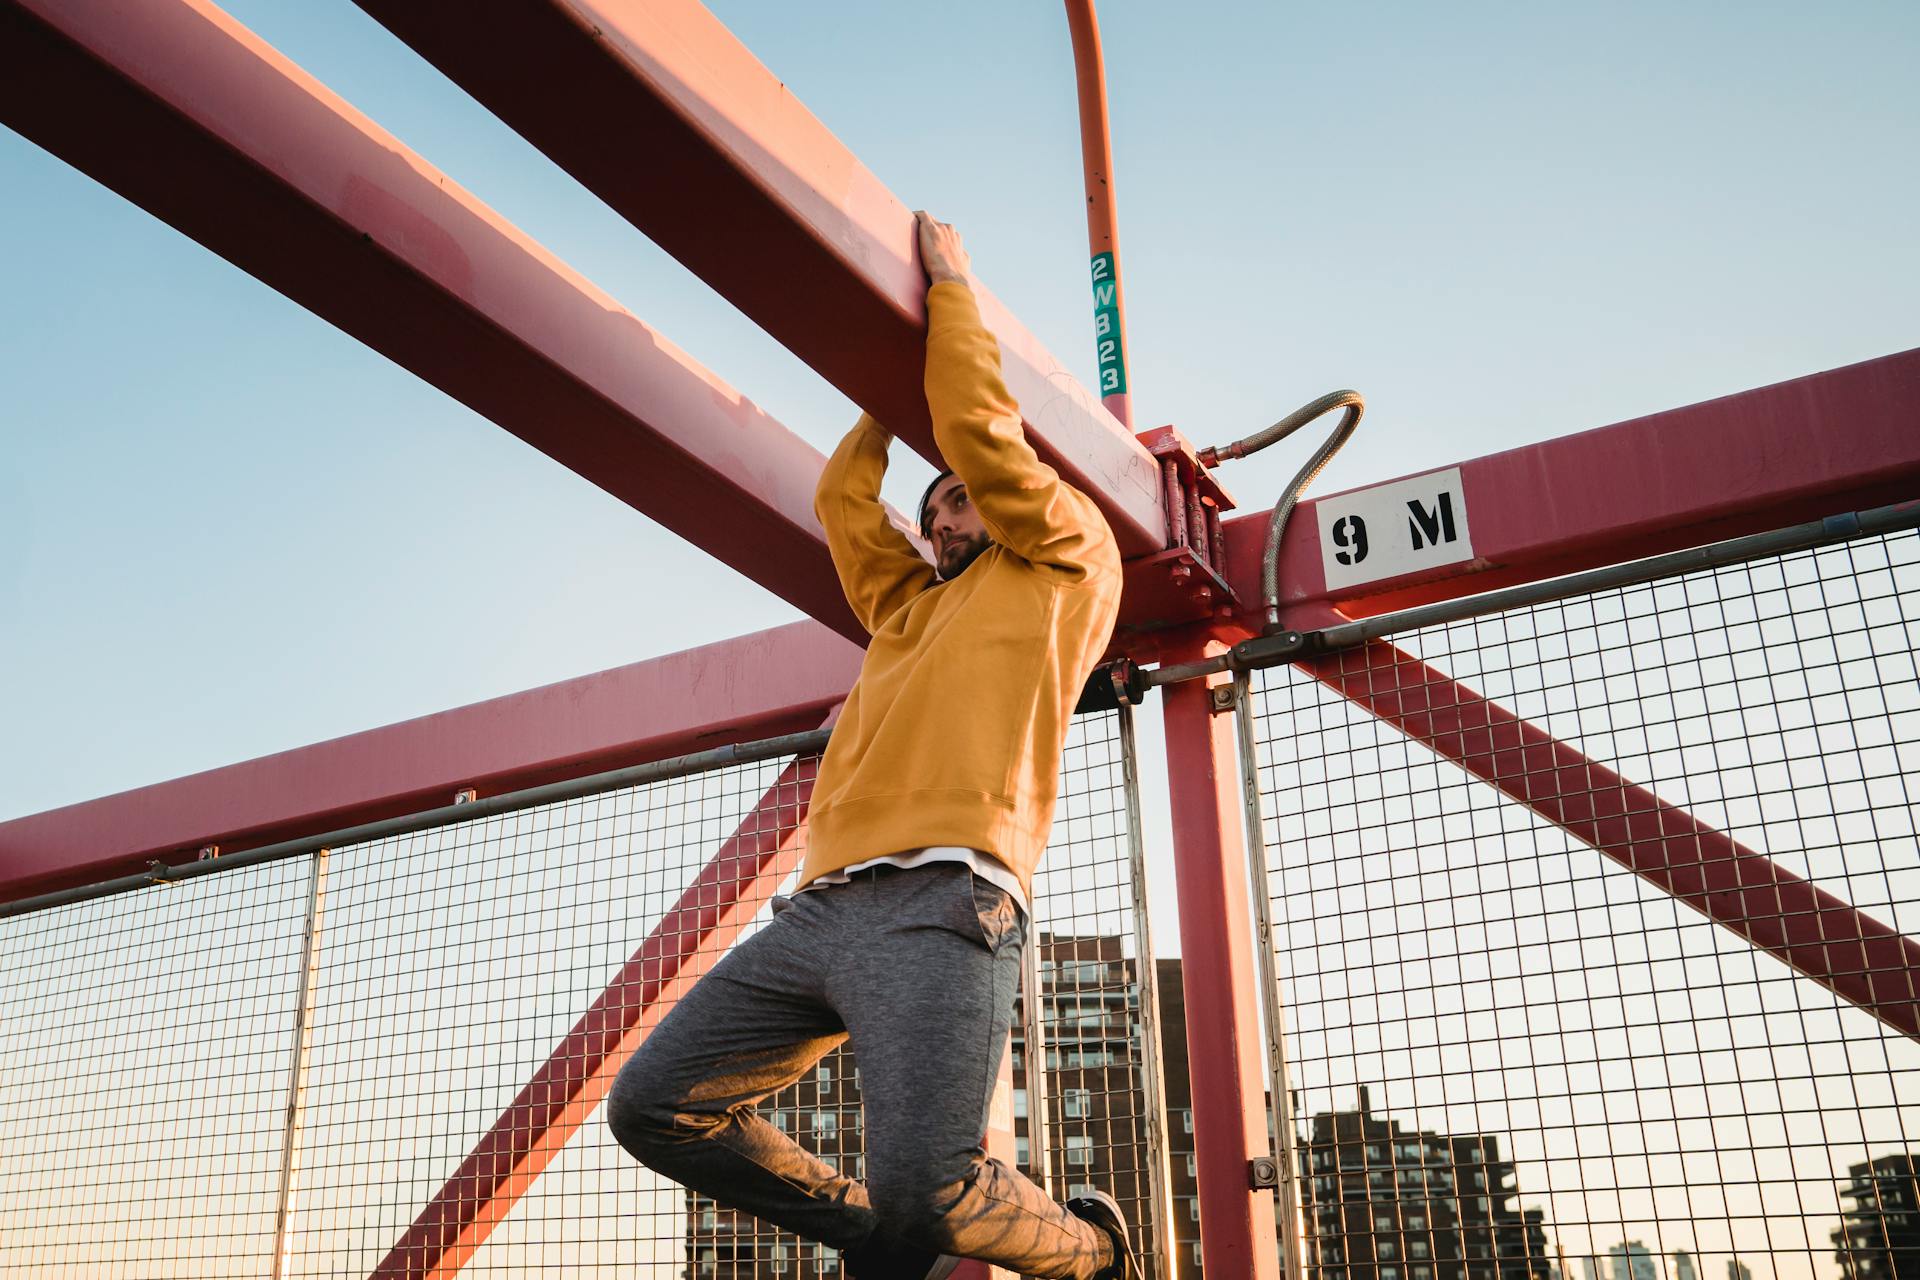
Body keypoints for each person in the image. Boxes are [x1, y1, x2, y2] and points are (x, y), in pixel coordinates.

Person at [608, 212, 1133, 1280]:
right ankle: (870, 1228)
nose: (944, 515)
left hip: (948, 900)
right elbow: (846, 504)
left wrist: (947, 298)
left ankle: (1091, 1252)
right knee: (653, 1106)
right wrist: (879, 401)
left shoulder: (1070, 560)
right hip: (819, 912)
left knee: (932, 1184)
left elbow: (985, 435)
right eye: (932, 508)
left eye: (962, 496)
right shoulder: (904, 612)